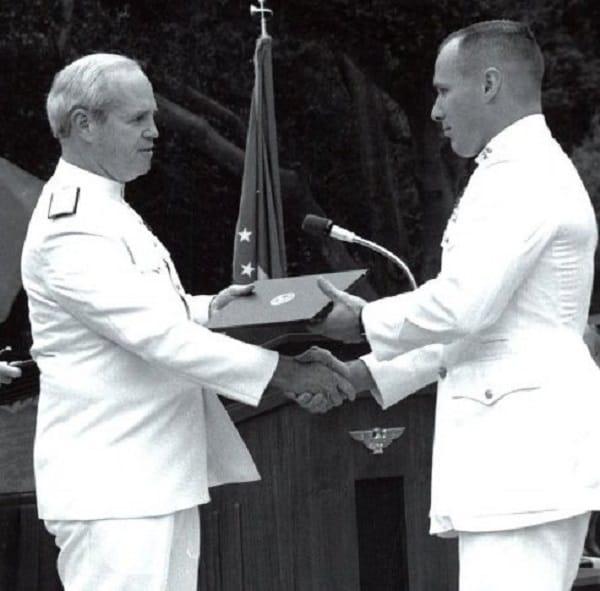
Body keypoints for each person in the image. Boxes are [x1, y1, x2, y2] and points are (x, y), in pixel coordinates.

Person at [21, 53, 353, 591]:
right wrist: (287, 375)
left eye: (152, 117)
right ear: (84, 125)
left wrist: (214, 308)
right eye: (137, 120)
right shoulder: (73, 224)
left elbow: (147, 314)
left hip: (154, 478)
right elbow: (157, 337)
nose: (155, 132)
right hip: (116, 489)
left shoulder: (108, 208)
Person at [313, 20, 600, 591]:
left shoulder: (522, 174)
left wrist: (364, 320)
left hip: (522, 454)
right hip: (520, 451)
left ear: (490, 83)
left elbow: (463, 307)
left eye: (444, 91)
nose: (436, 112)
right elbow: (482, 329)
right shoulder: (513, 169)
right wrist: (365, 372)